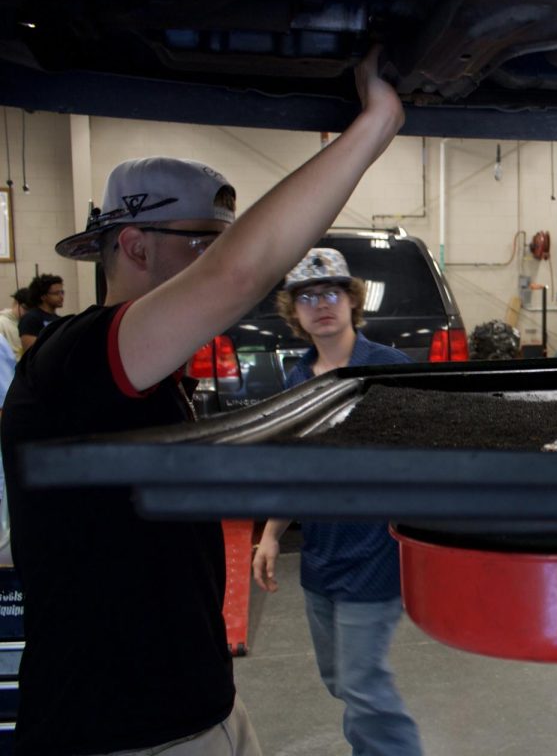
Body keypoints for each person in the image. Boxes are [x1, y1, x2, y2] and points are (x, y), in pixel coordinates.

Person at [0, 47, 405, 755]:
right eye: (201, 247)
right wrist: (375, 124)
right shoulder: (82, 357)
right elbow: (241, 273)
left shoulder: (156, 381)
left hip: (197, 708)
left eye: (218, 248)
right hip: (121, 735)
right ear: (134, 245)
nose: (219, 271)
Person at [252, 247, 422, 755]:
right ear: (295, 312)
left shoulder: (389, 370)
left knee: (364, 686)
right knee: (341, 681)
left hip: (376, 554)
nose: (320, 304)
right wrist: (269, 535)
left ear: (351, 300)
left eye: (331, 292)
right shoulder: (298, 380)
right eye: (307, 296)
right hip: (321, 558)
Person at [17, 274, 63, 350]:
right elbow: (30, 350)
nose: (61, 297)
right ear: (43, 297)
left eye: (62, 292)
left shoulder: (59, 319)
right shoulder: (30, 318)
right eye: (56, 293)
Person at [0, 288, 28, 358]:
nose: (28, 313)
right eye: (26, 308)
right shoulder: (2, 322)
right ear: (16, 303)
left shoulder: (32, 323)